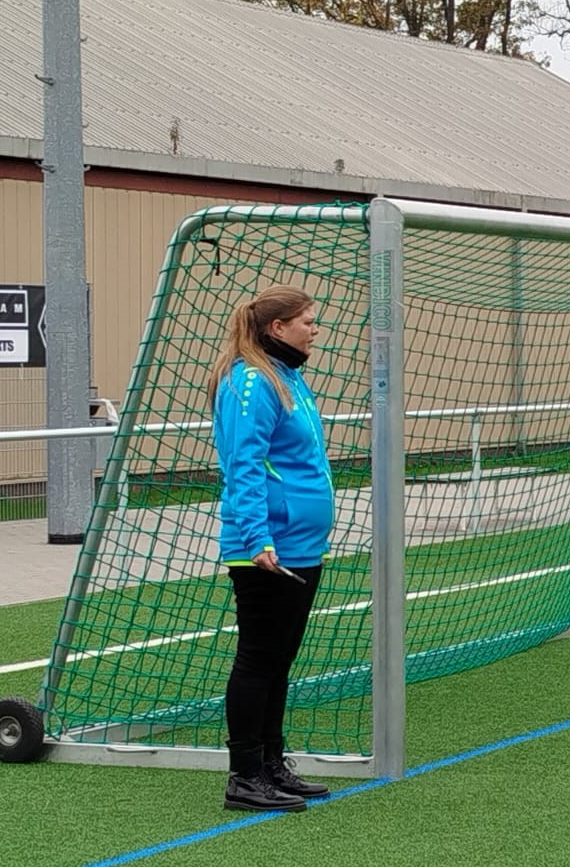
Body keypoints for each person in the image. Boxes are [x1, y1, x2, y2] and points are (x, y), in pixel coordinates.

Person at [207, 285, 334, 812]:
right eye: (307, 321)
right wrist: (258, 537)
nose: (315, 330)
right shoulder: (252, 380)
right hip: (266, 550)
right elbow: (244, 465)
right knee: (258, 660)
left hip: (300, 546)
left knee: (280, 660)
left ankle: (271, 765)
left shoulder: (288, 377)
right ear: (277, 327)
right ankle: (244, 776)